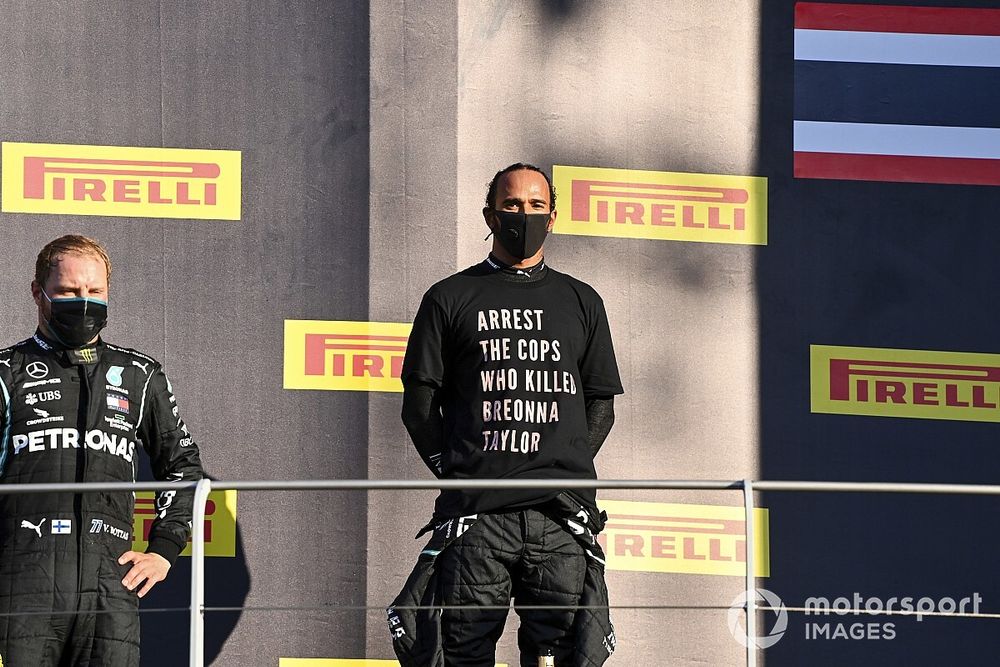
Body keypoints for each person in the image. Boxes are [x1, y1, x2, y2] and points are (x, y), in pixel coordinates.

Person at [388, 164, 623, 666]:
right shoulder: (449, 297)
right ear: (489, 214)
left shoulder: (582, 300)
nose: (524, 215)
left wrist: (556, 458)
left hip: (561, 515)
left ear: (553, 216)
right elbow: (419, 404)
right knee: (461, 653)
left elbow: (600, 403)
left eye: (536, 206)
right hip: (477, 518)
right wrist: (455, 471)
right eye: (512, 204)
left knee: (563, 654)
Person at [0, 235, 204, 665]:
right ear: (38, 292)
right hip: (20, 583)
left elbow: (184, 468)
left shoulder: (138, 374)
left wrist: (163, 551)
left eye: (95, 292)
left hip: (111, 585)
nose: (84, 302)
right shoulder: (5, 373)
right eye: (70, 292)